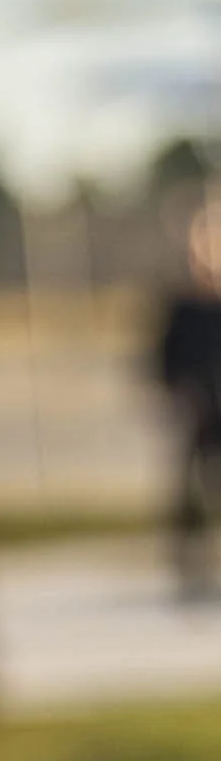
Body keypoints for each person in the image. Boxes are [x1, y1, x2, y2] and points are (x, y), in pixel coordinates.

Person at [150, 198, 221, 601]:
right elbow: (162, 359)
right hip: (196, 412)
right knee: (186, 494)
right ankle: (188, 566)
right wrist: (177, 394)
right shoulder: (181, 307)